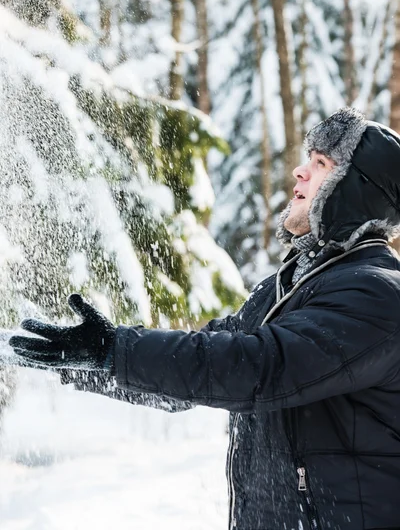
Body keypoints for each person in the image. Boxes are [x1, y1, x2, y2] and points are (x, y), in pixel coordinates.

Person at [9, 107, 400, 530]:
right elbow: (200, 369)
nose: (298, 172)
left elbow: (257, 367)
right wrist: (89, 363)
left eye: (321, 163)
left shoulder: (376, 294)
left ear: (359, 190)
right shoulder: (288, 287)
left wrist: (113, 350)